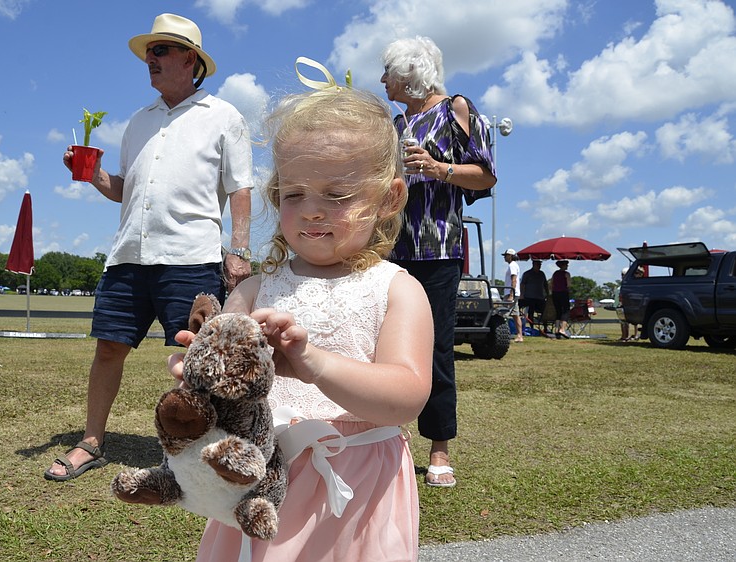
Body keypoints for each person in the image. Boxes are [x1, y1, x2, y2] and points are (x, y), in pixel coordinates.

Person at [172, 88, 432, 561]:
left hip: (359, 488)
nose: (312, 209)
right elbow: (225, 382)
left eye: (336, 194)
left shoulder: (397, 289)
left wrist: (314, 364)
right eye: (294, 194)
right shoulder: (254, 290)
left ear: (389, 198)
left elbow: (407, 396)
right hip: (263, 479)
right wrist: (200, 377)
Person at [44, 13, 254, 482]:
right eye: (148, 52)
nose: (149, 59)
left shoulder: (224, 116)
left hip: (191, 257)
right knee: (108, 349)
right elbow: (124, 189)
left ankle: (208, 452)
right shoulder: (138, 121)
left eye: (160, 50)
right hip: (128, 256)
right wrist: (93, 175)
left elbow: (240, 187)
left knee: (198, 361)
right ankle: (91, 442)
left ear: (190, 60)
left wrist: (239, 250)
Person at [380, 36, 496, 487]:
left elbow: (485, 175)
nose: (382, 79)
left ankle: (439, 448)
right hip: (392, 249)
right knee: (384, 345)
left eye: (388, 71)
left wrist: (436, 168)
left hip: (438, 250)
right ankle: (387, 438)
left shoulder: (455, 110)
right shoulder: (395, 123)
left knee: (436, 348)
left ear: (409, 73)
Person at [502, 249, 523, 342]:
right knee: (515, 315)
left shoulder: (512, 266)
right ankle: (520, 335)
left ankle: (503, 333)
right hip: (514, 293)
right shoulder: (513, 265)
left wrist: (511, 295)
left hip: (511, 293)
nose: (504, 257)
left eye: (506, 255)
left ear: (510, 256)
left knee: (503, 314)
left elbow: (513, 280)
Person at [520, 259, 549, 325]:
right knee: (531, 313)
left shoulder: (542, 274)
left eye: (540, 264)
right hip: (529, 297)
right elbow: (522, 284)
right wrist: (522, 294)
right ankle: (531, 326)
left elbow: (545, 284)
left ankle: (545, 326)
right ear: (533, 264)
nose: (539, 266)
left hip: (540, 297)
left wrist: (547, 294)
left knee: (544, 312)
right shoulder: (527, 273)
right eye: (537, 264)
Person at [617, 267, 641, 342]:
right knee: (623, 321)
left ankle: (633, 335)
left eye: (623, 275)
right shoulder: (623, 285)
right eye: (622, 275)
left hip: (630, 304)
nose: (622, 276)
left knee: (633, 322)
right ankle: (624, 336)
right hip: (622, 304)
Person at [551, 260, 572, 338]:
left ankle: (556, 329)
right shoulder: (567, 274)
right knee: (566, 311)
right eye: (566, 265)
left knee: (558, 311)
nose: (567, 266)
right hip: (563, 293)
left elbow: (551, 283)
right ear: (563, 265)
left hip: (555, 293)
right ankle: (562, 329)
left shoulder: (555, 273)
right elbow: (569, 285)